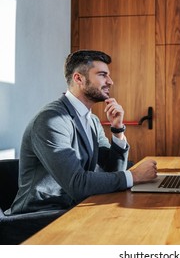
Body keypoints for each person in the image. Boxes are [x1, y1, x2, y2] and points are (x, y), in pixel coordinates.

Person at [7, 50, 157, 215]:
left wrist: (118, 130)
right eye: (102, 75)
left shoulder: (91, 120)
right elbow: (77, 184)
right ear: (78, 78)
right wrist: (134, 176)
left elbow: (112, 170)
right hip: (41, 216)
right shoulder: (51, 120)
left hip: (77, 206)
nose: (111, 81)